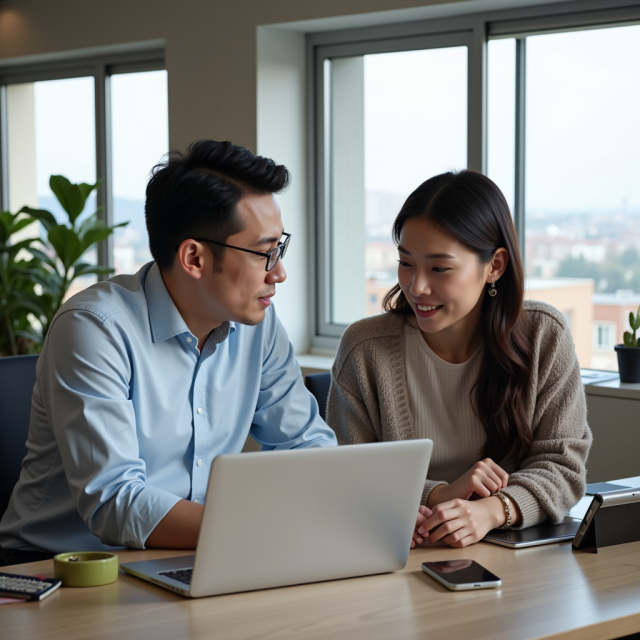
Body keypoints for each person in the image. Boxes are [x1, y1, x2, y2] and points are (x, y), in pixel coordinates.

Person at [0, 140, 336, 566]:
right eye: (264, 253)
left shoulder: (258, 325)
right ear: (193, 257)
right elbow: (115, 502)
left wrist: (337, 511)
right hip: (54, 566)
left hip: (193, 553)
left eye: (279, 248)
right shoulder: (94, 329)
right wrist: (257, 526)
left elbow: (306, 444)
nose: (280, 272)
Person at [327, 170, 591, 549]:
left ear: (494, 266)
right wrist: (442, 495)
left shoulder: (544, 336)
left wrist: (492, 510)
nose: (416, 286)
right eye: (406, 262)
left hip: (513, 557)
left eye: (439, 268)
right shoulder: (365, 348)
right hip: (396, 553)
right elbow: (346, 477)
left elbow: (564, 466)